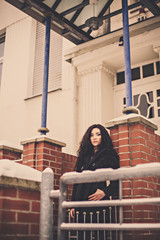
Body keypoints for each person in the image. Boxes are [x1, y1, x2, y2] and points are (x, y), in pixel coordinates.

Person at [70, 124, 120, 240]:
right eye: (92, 135)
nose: (94, 137)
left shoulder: (109, 155)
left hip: (98, 203)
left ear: (103, 137)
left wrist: (104, 192)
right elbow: (76, 181)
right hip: (81, 204)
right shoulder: (83, 156)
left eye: (98, 134)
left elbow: (116, 179)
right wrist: (73, 204)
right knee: (82, 236)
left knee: (100, 235)